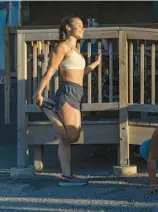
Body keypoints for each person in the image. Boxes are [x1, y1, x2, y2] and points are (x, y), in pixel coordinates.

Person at [33, 15, 101, 187]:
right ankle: (47, 108)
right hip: (67, 91)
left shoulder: (76, 50)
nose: (82, 28)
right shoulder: (62, 47)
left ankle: (66, 176)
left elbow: (80, 72)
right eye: (78, 25)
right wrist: (39, 92)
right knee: (70, 135)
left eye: (82, 25)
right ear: (67, 28)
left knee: (70, 137)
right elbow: (51, 69)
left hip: (77, 92)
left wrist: (95, 64)